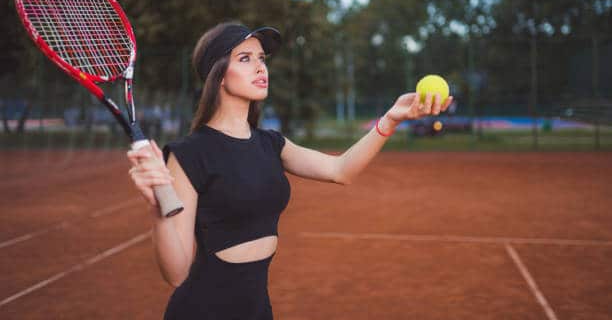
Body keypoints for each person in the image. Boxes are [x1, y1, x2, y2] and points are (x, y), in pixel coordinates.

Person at [127, 22, 453, 319]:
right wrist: (158, 211)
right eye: (245, 58)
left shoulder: (271, 144)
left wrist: (391, 119)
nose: (260, 66)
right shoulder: (190, 154)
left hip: (257, 310)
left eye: (261, 58)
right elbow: (177, 273)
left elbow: (341, 170)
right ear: (219, 74)